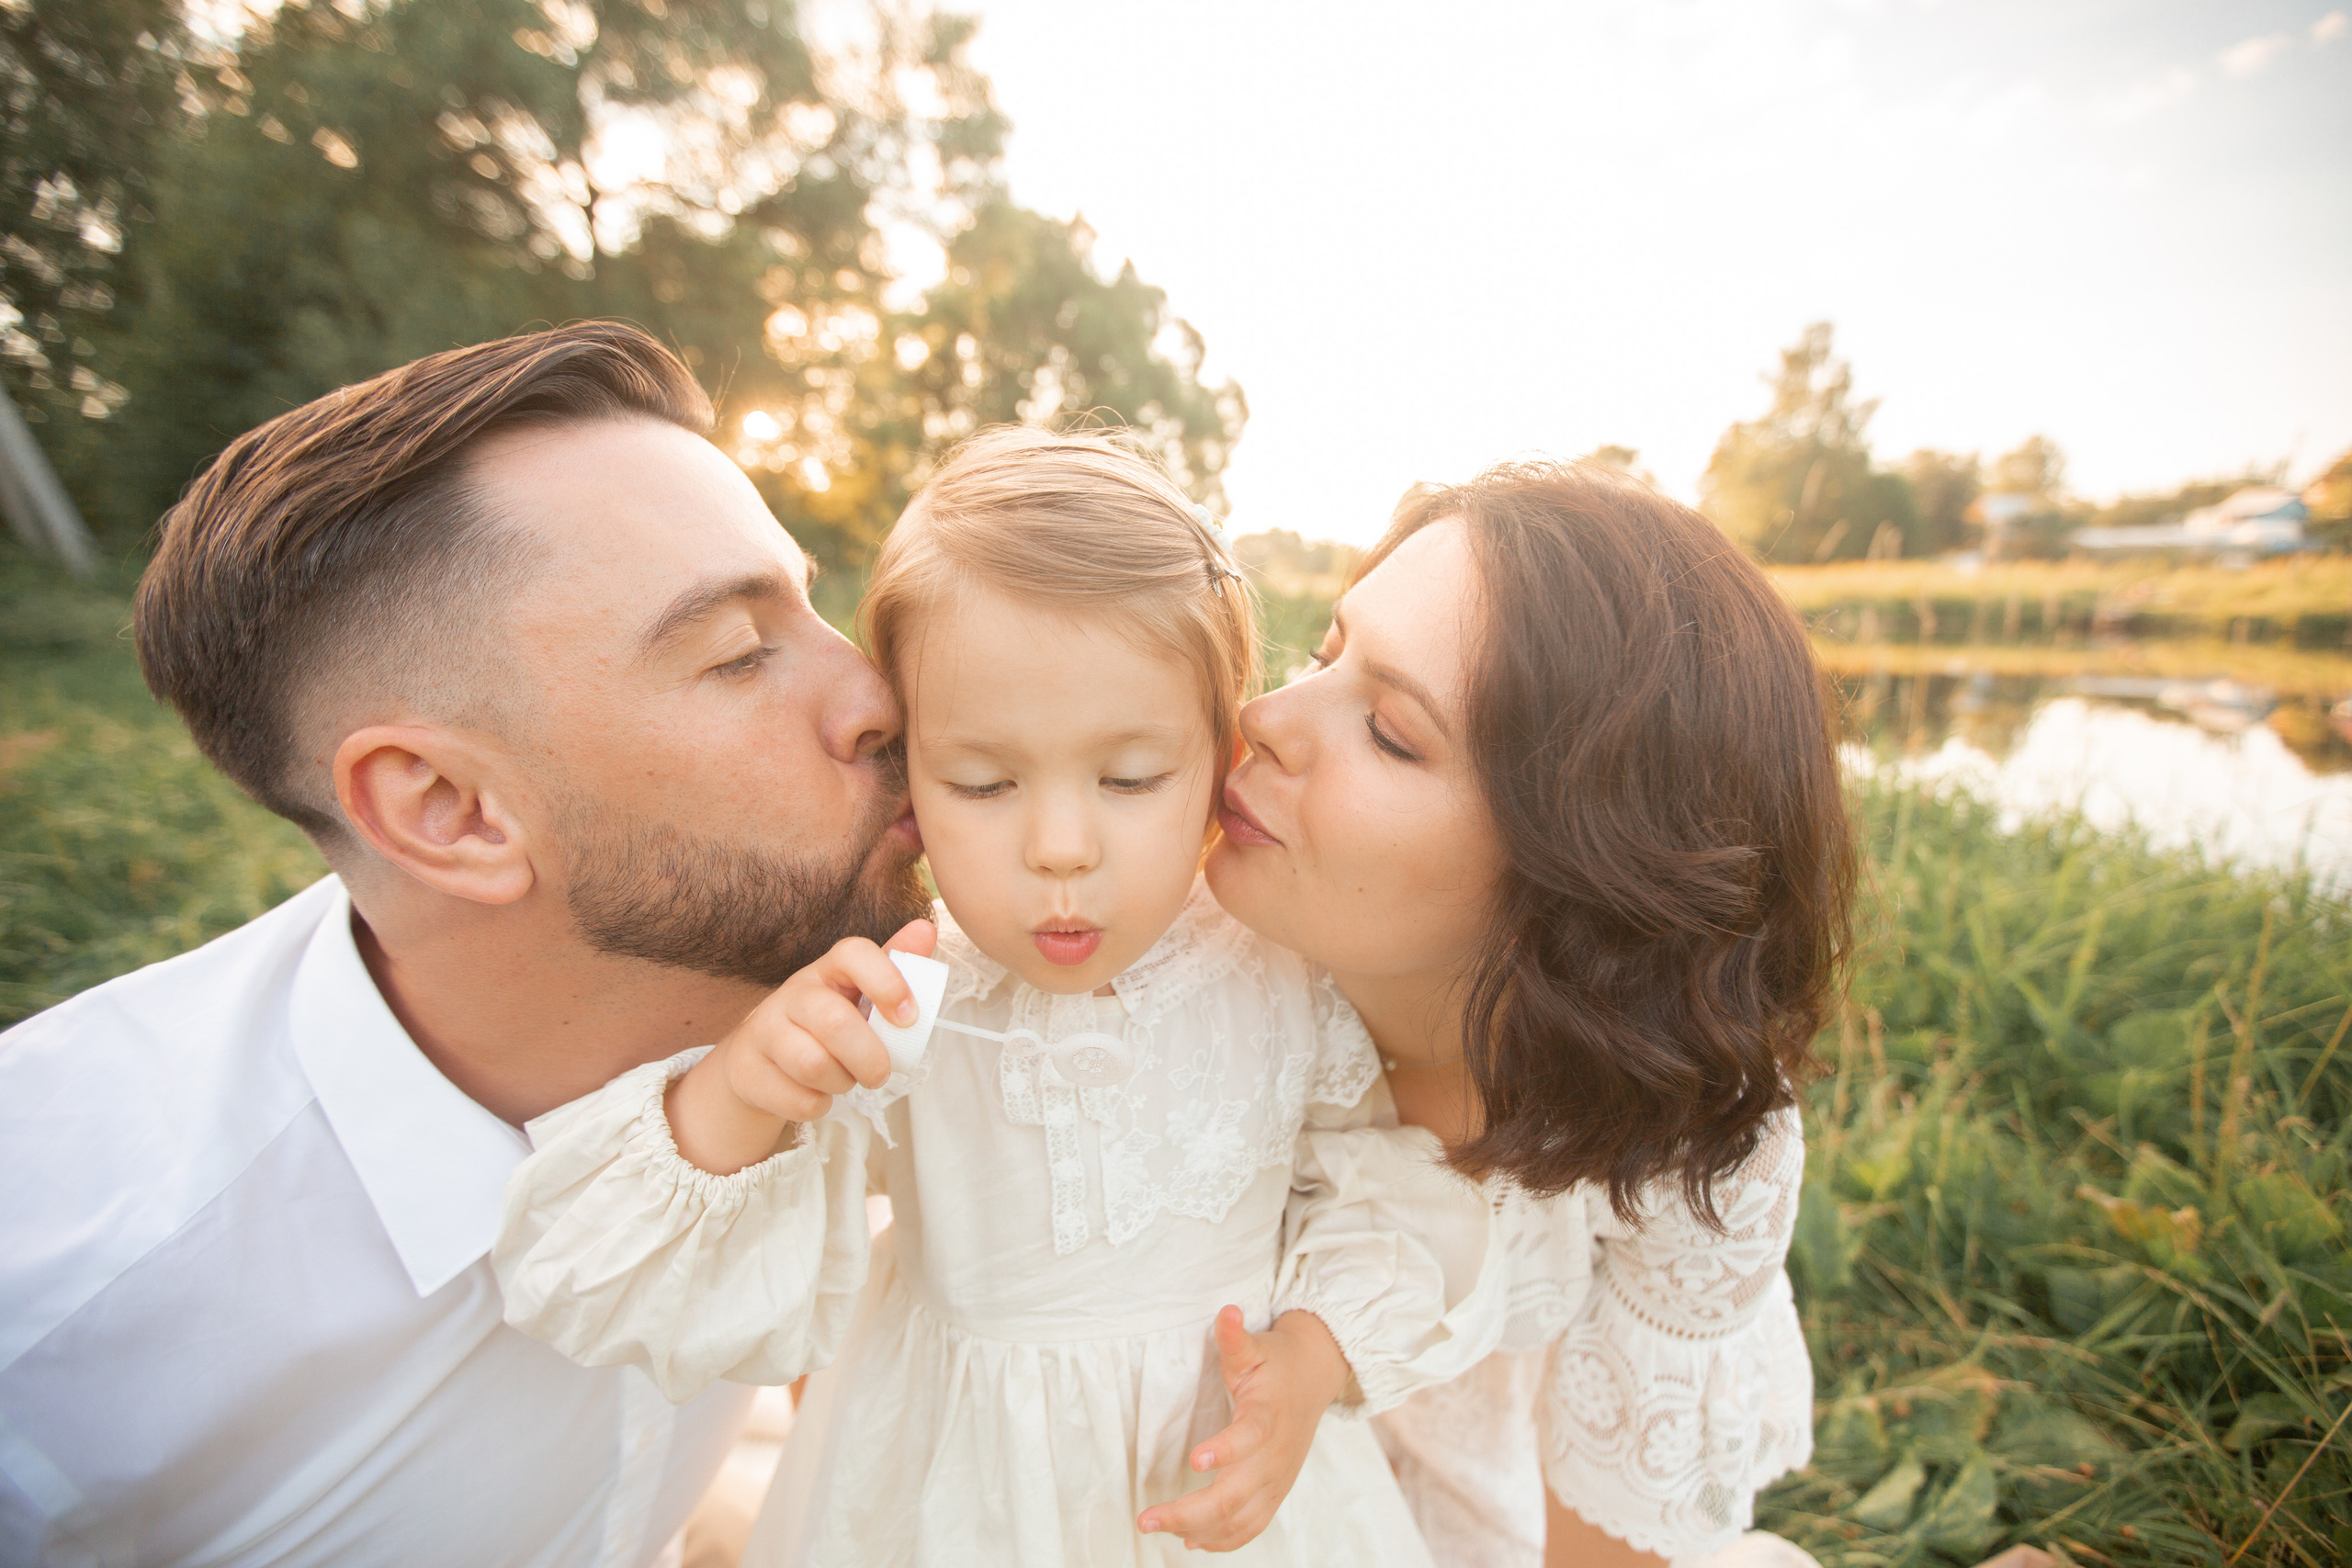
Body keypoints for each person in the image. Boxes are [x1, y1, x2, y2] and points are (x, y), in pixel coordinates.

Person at [0, 322, 929, 1566]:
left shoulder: (815, 992)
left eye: (811, 608)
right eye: (739, 651)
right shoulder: (68, 1302)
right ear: (449, 809)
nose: (879, 693)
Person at [494, 427, 1501, 1567]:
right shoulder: (900, 992)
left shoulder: (1277, 968)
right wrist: (744, 1091)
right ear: (911, 775)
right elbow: (600, 1278)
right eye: (983, 781)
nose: (1060, 848)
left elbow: (1389, 1191)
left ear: (1220, 755)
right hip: (947, 1499)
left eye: (1130, 778)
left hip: (1219, 1479)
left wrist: (1312, 1360)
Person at [1205, 463, 1852, 1568]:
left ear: (1576, 876)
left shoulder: (1683, 1148)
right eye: (1322, 654)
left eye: (1391, 733)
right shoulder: (1174, 939)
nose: (1261, 718)